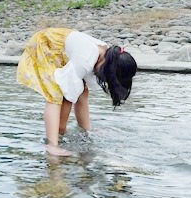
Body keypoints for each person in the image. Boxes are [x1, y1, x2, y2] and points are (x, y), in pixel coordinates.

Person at [16, 28, 137, 157]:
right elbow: (68, 97)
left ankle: (86, 131)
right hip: (47, 45)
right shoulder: (86, 60)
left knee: (83, 91)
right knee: (55, 95)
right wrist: (61, 131)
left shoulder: (108, 54)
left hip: (62, 46)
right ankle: (51, 145)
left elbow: (78, 94)